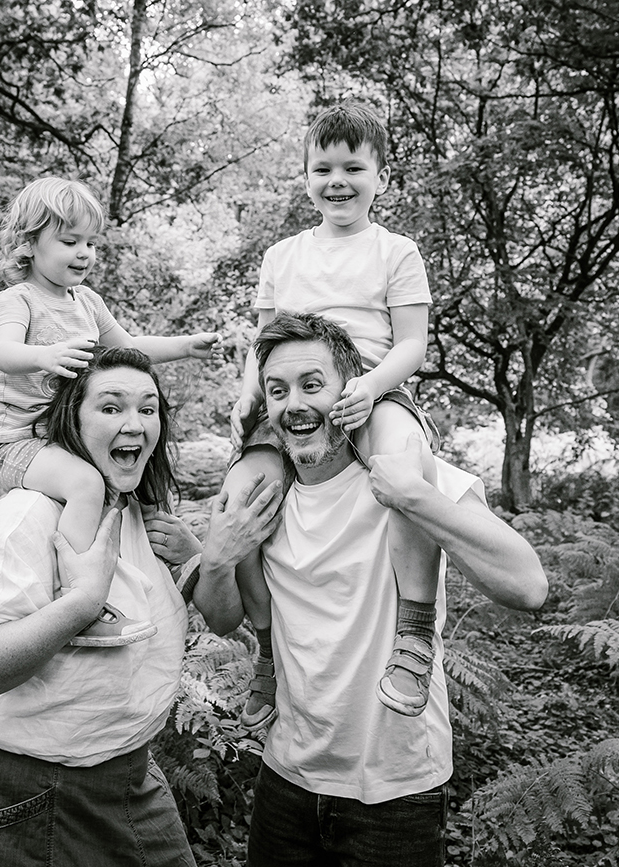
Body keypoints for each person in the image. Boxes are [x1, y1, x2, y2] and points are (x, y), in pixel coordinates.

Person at [195, 313, 548, 866]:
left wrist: (416, 498)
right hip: (285, 777)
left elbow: (528, 587)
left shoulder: (403, 471)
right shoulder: (264, 493)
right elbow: (221, 618)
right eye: (279, 390)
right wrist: (216, 560)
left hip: (396, 793)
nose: (295, 404)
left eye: (313, 385)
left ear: (350, 391)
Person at [0, 347, 264, 867]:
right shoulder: (28, 517)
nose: (135, 423)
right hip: (13, 783)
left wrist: (211, 559)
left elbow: (223, 617)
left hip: (122, 773)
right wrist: (81, 603)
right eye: (111, 407)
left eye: (148, 409)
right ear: (70, 422)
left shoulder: (140, 515)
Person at [221, 100, 444, 728]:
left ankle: (414, 634)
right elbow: (262, 347)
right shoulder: (282, 257)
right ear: (306, 177)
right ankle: (266, 648)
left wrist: (370, 389)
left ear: (382, 177)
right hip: (289, 398)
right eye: (322, 169)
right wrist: (249, 395)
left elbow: (411, 345)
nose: (336, 181)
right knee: (241, 499)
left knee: (406, 468)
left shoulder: (396, 252)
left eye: (353, 167)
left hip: (368, 393)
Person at [0, 177, 220, 647]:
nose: (84, 252)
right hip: (17, 442)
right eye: (69, 241)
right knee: (87, 483)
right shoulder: (19, 300)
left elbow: (129, 347)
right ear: (29, 244)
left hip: (65, 436)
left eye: (90, 242)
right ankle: (76, 597)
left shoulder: (87, 302)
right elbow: (3, 350)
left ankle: (171, 571)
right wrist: (43, 356)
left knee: (147, 475)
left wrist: (184, 347)